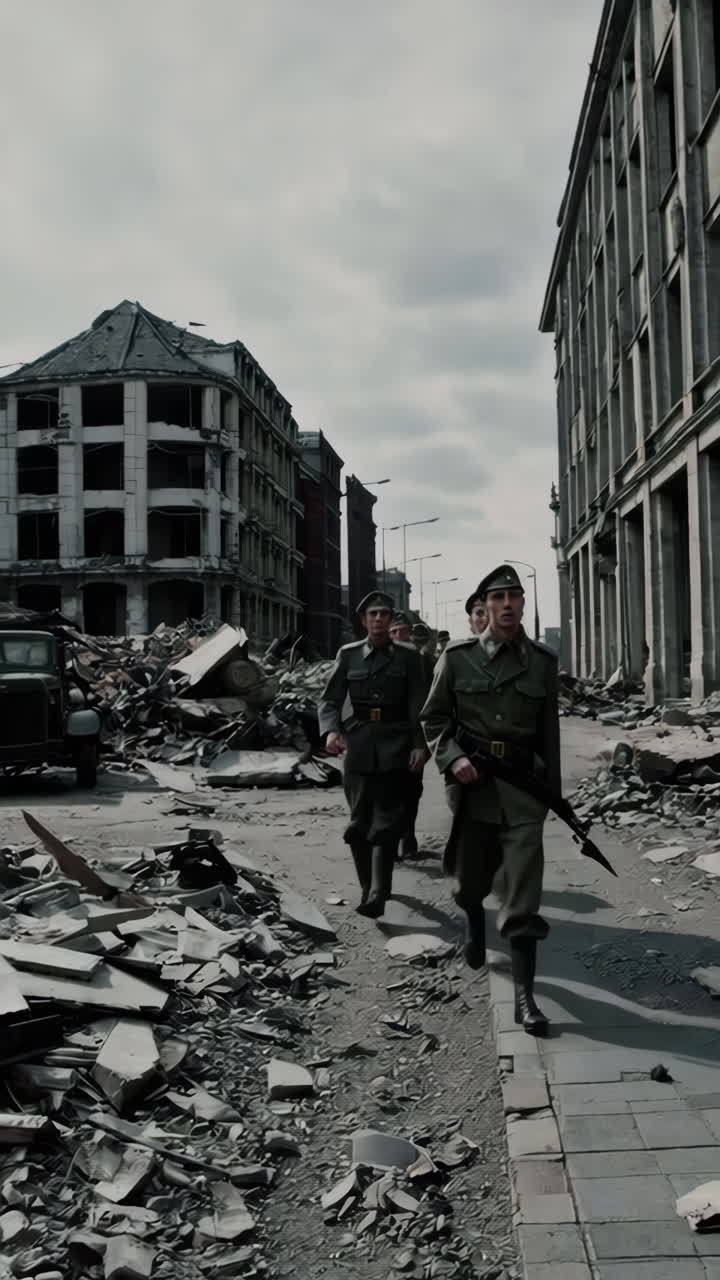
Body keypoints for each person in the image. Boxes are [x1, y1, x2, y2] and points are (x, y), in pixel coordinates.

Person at [420, 565, 561, 1036]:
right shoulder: (457, 658)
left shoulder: (542, 661)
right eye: (498, 597)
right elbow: (434, 719)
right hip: (474, 785)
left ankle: (525, 997)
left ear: (522, 603)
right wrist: (452, 758)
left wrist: (552, 795)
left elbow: (549, 734)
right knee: (470, 878)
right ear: (486, 604)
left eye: (514, 597)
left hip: (523, 789)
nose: (506, 605)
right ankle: (474, 922)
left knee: (523, 892)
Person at [318, 591, 428, 917]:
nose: (378, 619)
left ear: (391, 619)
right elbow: (329, 699)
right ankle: (368, 888)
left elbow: (418, 704)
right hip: (360, 743)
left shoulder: (409, 658)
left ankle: (378, 892)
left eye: (384, 614)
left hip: (397, 743)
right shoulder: (349, 655)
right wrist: (331, 730)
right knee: (358, 824)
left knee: (387, 820)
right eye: (372, 614)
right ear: (363, 620)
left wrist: (420, 745)